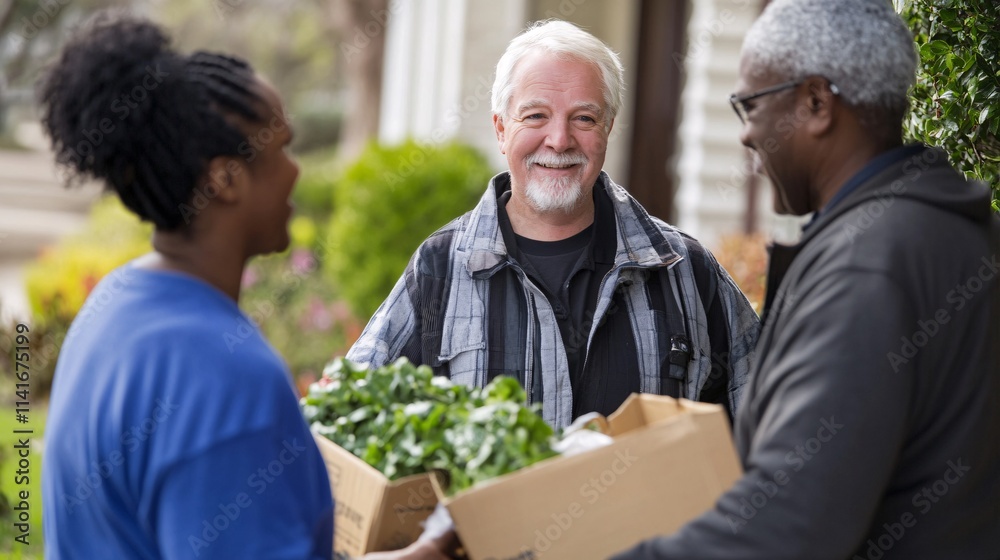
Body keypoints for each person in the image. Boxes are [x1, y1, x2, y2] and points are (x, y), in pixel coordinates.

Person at [38, 13, 453, 560]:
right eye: (281, 148)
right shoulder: (228, 379)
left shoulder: (112, 304)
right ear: (225, 179)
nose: (296, 172)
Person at [611, 1, 1000, 558]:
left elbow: (786, 525)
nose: (745, 135)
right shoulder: (969, 234)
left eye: (750, 104)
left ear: (816, 103)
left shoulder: (864, 267)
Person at [347, 20, 760, 429]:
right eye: (536, 116)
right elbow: (353, 415)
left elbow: (766, 423)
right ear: (501, 129)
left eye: (583, 118)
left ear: (608, 129)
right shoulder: (439, 270)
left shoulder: (685, 271)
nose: (559, 140)